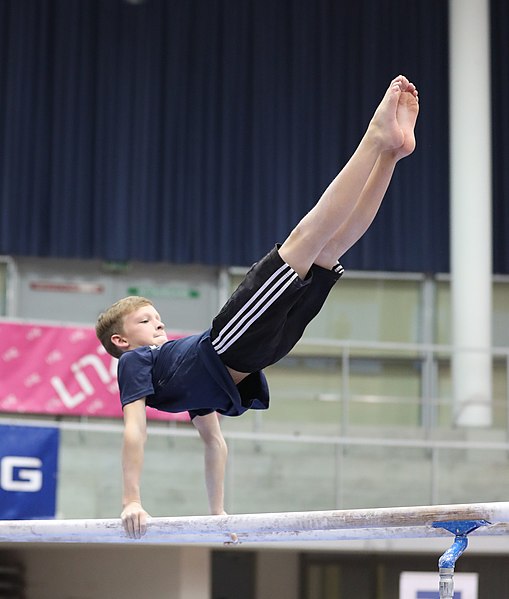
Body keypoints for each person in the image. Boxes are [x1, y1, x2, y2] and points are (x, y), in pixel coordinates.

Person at [95, 75, 419, 539]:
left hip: (251, 349)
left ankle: (388, 153)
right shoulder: (135, 364)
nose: (159, 322)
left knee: (327, 249)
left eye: (157, 316)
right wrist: (132, 500)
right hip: (234, 346)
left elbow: (214, 443)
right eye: (145, 320)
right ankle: (376, 141)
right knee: (310, 241)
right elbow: (135, 432)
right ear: (121, 341)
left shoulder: (174, 377)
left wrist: (217, 514)